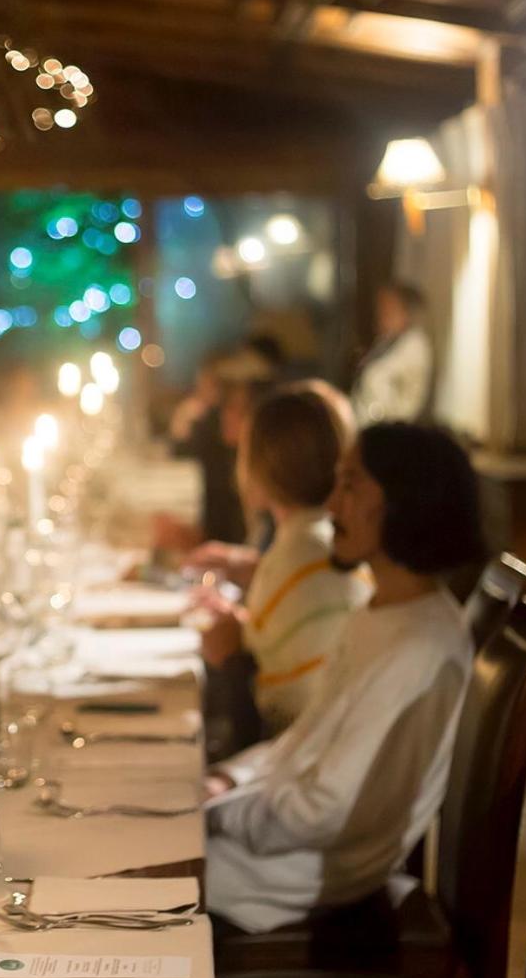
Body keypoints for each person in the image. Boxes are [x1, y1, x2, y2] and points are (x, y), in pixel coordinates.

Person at [204, 422, 484, 934]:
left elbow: (325, 811)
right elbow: (303, 744)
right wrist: (229, 780)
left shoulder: (421, 648)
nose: (331, 506)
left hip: (293, 883)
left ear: (407, 500)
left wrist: (219, 816)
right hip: (271, 855)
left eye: (350, 485)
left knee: (105, 873)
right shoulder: (382, 612)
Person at [196, 383, 370, 751]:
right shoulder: (320, 539)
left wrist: (230, 656)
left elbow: (280, 709)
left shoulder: (299, 551)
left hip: (301, 752)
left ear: (258, 468)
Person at [351, 280, 433, 425]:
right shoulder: (385, 342)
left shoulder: (414, 344)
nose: (381, 313)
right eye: (379, 307)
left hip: (390, 430)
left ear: (406, 312)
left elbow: (377, 380)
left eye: (388, 307)